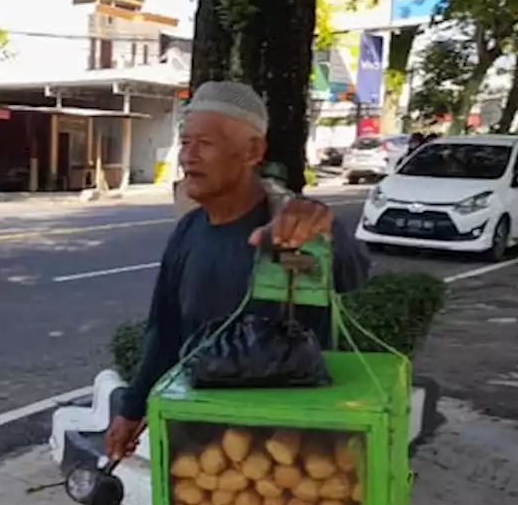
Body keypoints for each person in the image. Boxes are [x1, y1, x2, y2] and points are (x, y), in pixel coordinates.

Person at [104, 81, 371, 460]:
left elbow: (353, 275)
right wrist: (132, 410)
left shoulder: (293, 224)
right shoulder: (188, 231)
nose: (188, 157)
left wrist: (324, 229)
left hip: (289, 444)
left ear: (252, 151)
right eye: (185, 142)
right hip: (201, 445)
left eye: (205, 144)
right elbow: (164, 332)